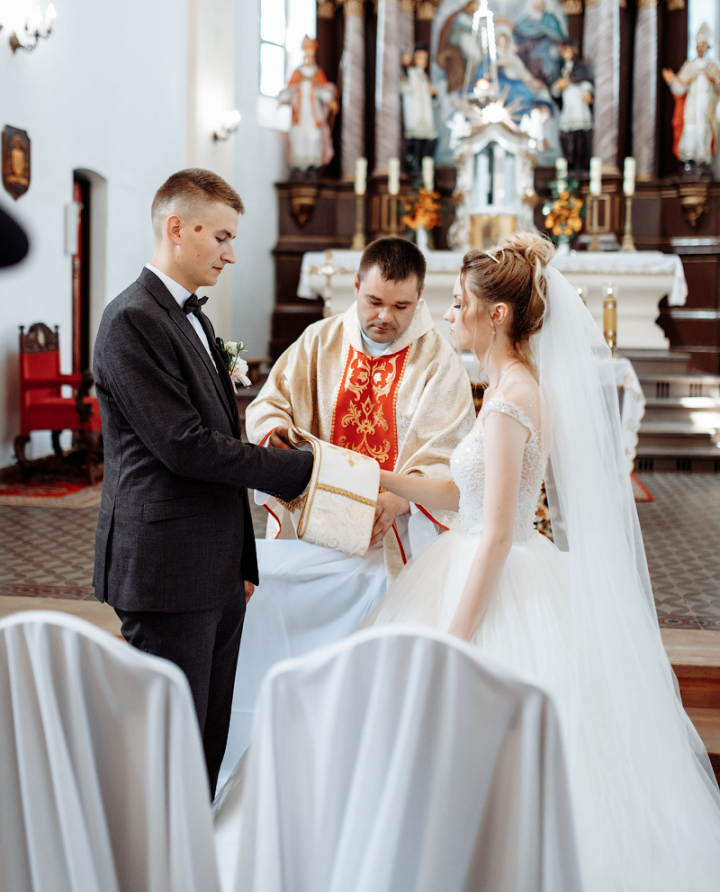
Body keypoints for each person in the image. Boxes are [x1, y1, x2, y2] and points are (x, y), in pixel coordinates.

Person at [365, 232, 720, 890]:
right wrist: (384, 476)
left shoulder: (509, 400)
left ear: (495, 313)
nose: (447, 315)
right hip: (487, 555)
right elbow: (462, 492)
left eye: (456, 302)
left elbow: (498, 532)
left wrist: (455, 638)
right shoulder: (509, 385)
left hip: (491, 575)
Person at [92, 169, 312, 798]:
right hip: (165, 570)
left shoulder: (190, 317)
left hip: (211, 564)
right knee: (165, 748)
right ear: (176, 228)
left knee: (206, 739)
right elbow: (184, 446)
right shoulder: (132, 320)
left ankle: (194, 854)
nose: (231, 252)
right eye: (220, 236)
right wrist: (297, 471)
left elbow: (215, 427)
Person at [220, 237, 476, 775]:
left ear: (420, 296)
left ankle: (360, 762)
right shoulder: (320, 340)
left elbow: (450, 460)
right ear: (355, 287)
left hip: (387, 551)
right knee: (281, 633)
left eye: (402, 307)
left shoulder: (439, 361)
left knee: (367, 679)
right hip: (311, 532)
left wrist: (398, 502)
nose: (385, 317)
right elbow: (269, 406)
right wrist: (276, 439)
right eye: (374, 302)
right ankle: (283, 751)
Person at [279, 35, 338, 180]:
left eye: (312, 51)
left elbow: (323, 92)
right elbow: (288, 91)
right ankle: (299, 168)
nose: (309, 54)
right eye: (307, 50)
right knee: (299, 138)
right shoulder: (297, 73)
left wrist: (330, 100)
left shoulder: (317, 73)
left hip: (313, 115)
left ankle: (312, 168)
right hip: (299, 115)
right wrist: (284, 97)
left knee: (313, 137)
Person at [663, 23, 720, 172]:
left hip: (706, 106)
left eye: (703, 45)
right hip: (692, 106)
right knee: (690, 129)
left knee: (704, 130)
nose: (700, 47)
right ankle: (690, 160)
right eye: (698, 45)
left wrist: (716, 81)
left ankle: (704, 161)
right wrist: (672, 80)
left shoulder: (713, 67)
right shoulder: (690, 66)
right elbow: (680, 88)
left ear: (708, 46)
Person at [551, 40, 594, 172]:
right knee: (566, 134)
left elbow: (586, 82)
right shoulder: (560, 68)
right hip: (568, 102)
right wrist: (558, 86)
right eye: (563, 51)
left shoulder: (581, 67)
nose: (564, 53)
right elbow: (554, 89)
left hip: (578, 103)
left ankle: (580, 165)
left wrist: (587, 93)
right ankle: (569, 163)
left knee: (580, 135)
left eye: (567, 50)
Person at [400, 43, 437, 187]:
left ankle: (423, 171)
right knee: (414, 145)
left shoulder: (424, 77)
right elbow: (404, 82)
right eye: (420, 57)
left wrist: (433, 94)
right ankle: (415, 168)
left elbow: (432, 99)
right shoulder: (411, 73)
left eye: (425, 57)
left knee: (428, 144)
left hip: (426, 118)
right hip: (415, 117)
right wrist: (405, 64)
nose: (423, 60)